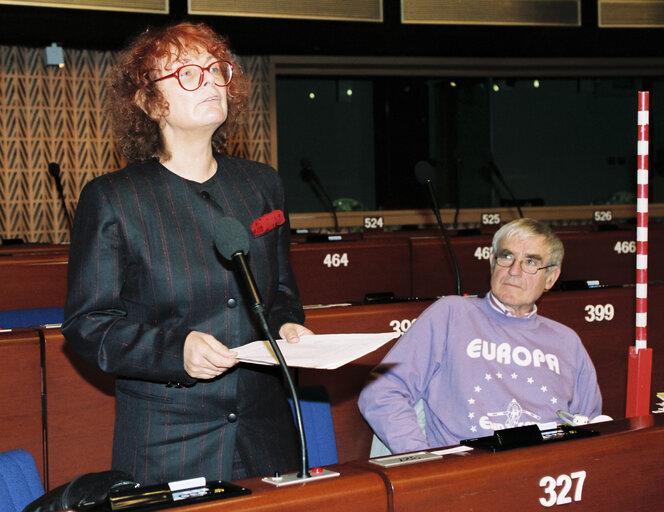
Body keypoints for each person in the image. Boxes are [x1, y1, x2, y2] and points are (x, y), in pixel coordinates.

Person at [62, 21, 312, 485]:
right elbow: (88, 324)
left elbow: (278, 293)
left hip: (267, 434)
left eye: (217, 70)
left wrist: (289, 326)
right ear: (149, 101)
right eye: (187, 73)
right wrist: (175, 351)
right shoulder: (114, 198)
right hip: (168, 443)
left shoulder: (262, 185)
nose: (213, 82)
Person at [358, 218, 602, 455]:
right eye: (507, 257)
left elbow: (589, 422)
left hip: (546, 471)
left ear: (550, 277)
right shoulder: (451, 314)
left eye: (530, 262)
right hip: (467, 471)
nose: (514, 271)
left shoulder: (566, 341)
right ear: (492, 262)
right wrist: (423, 459)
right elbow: (382, 391)